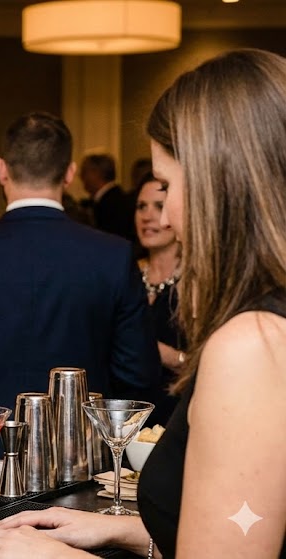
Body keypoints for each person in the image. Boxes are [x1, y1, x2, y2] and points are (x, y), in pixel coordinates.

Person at [0, 49, 286, 559]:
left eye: (166, 183)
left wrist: (55, 557)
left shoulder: (252, 344)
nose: (167, 210)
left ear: (215, 185)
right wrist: (120, 530)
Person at [0, 112, 160, 492]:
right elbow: (138, 376)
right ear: (69, 173)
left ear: (2, 170)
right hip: (86, 464)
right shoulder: (113, 256)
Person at [134, 172, 184, 427]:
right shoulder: (126, 273)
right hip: (125, 417)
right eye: (141, 206)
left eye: (159, 206)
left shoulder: (194, 283)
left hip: (176, 413)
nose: (147, 215)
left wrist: (169, 356)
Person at [82, 153, 137, 243]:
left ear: (97, 173)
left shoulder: (113, 203)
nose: (81, 176)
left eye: (85, 171)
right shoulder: (109, 199)